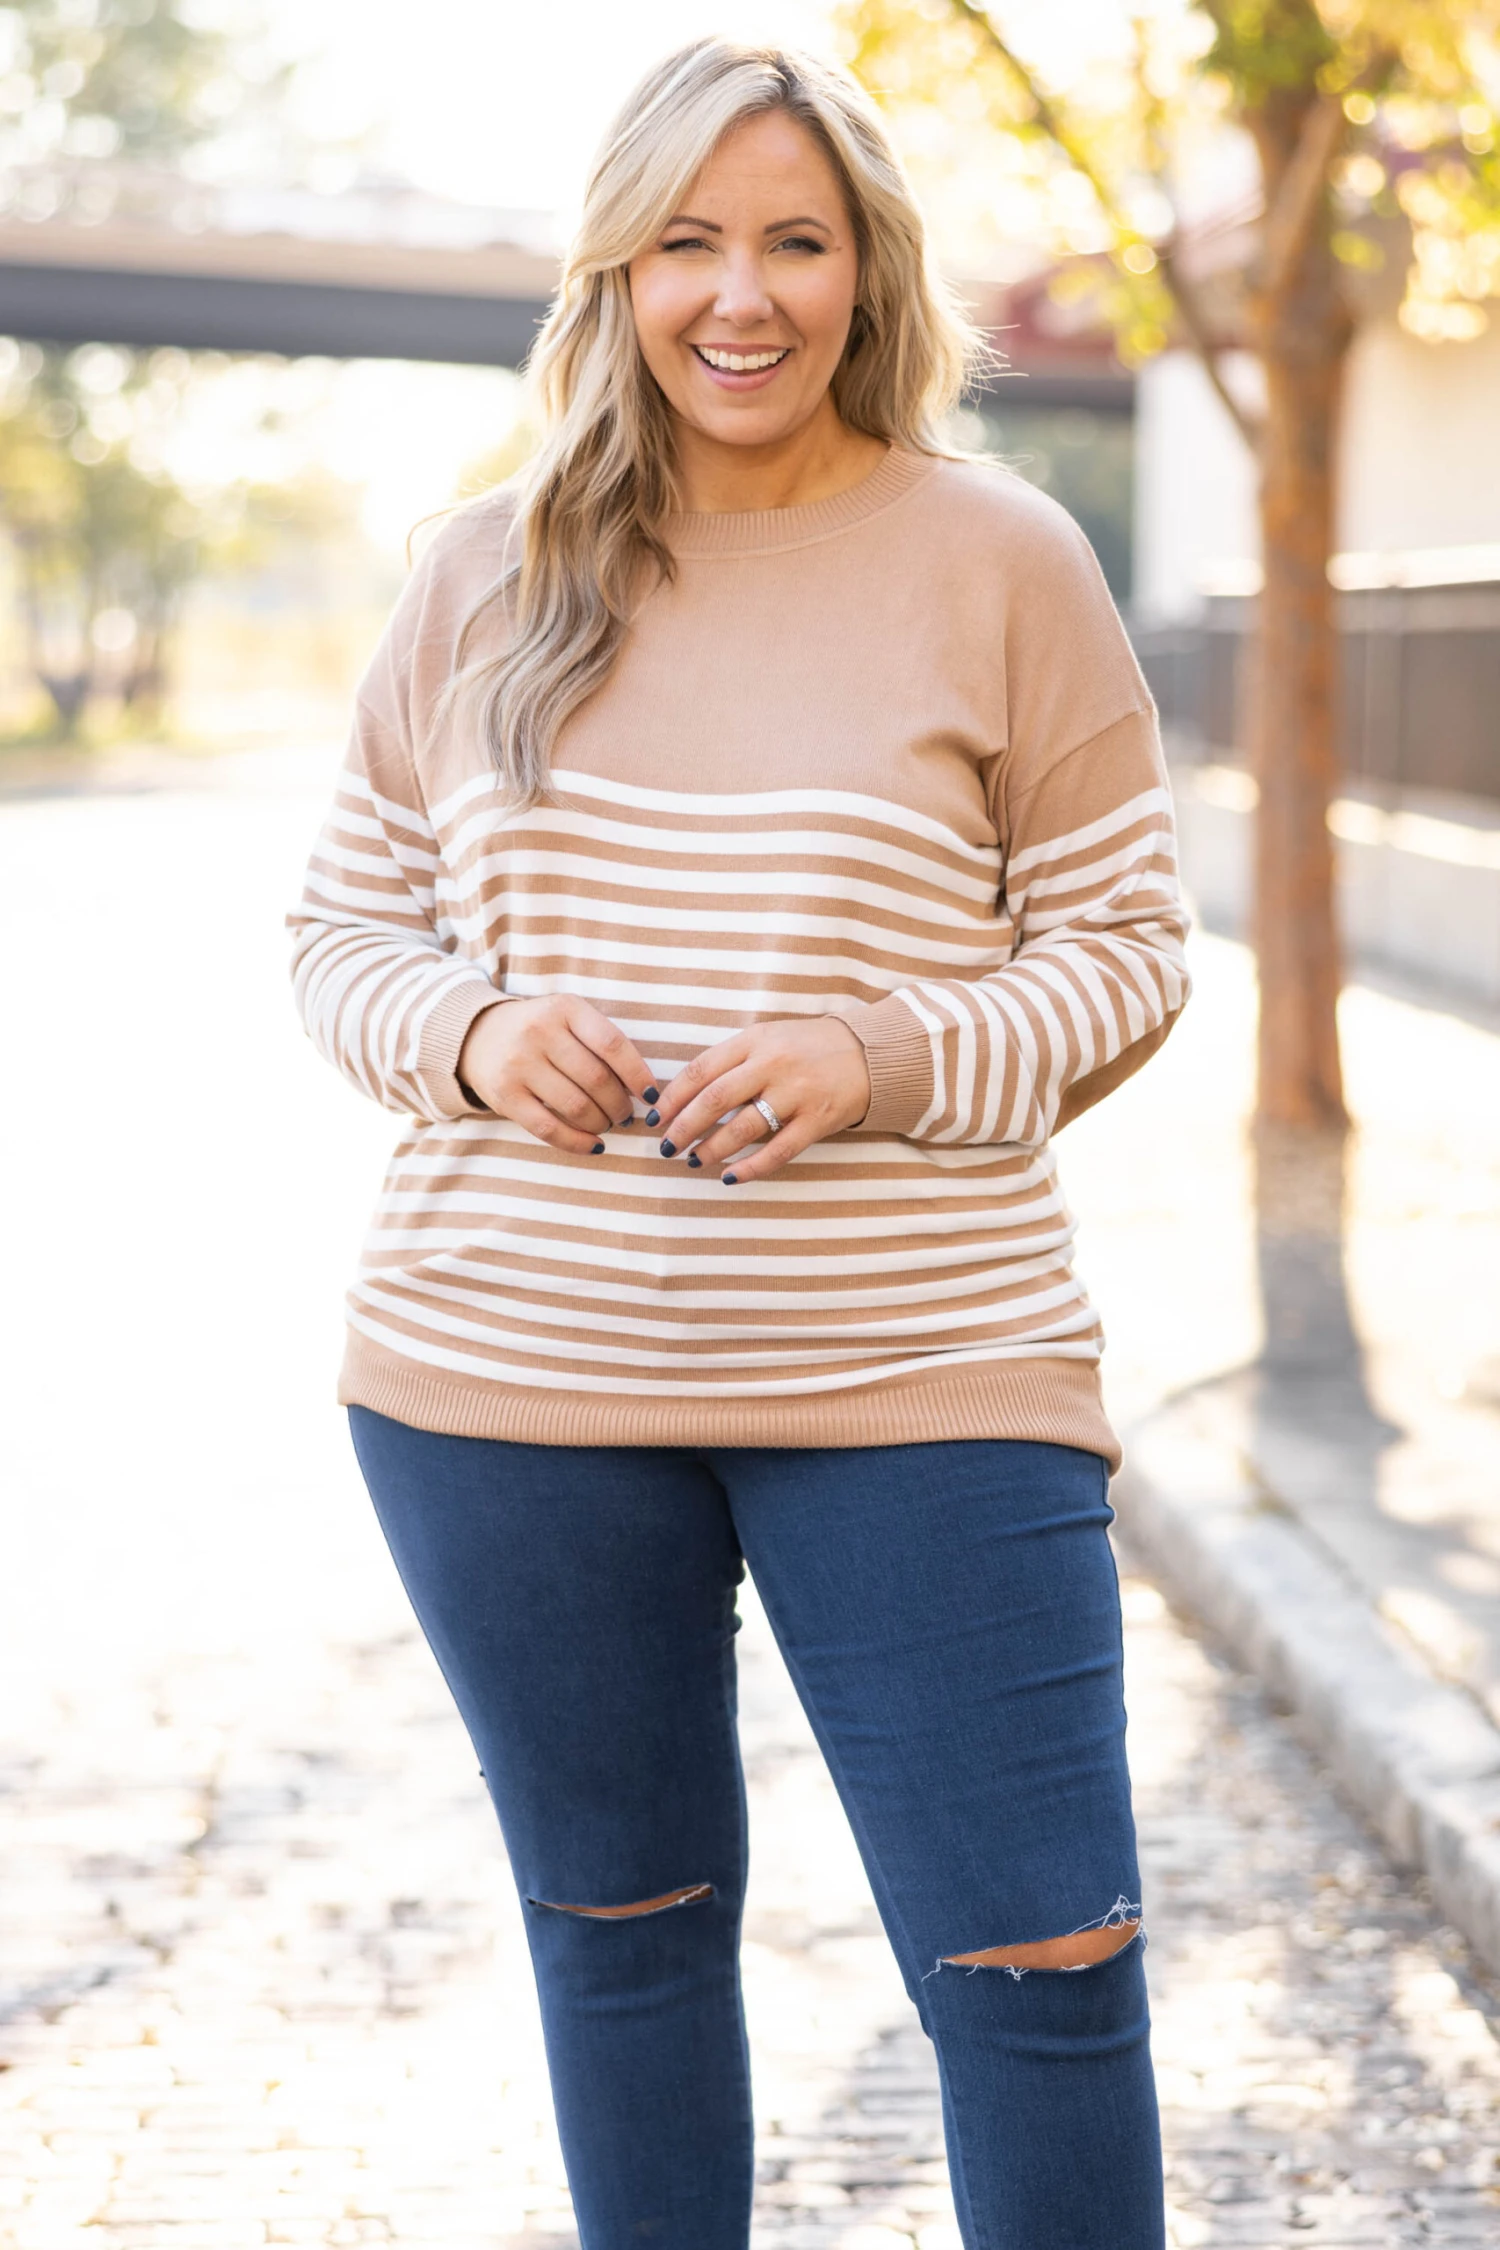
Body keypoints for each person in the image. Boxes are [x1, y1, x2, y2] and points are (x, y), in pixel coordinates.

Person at [289, 37, 1189, 2250]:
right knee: (622, 1940)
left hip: (926, 1373)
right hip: (505, 1383)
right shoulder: (480, 568)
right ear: (617, 268)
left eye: (796, 240)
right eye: (687, 241)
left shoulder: (1002, 557)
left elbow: (1128, 951)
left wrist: (876, 1056)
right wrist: (478, 1032)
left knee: (1047, 1972)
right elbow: (342, 933)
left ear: (869, 269)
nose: (742, 295)